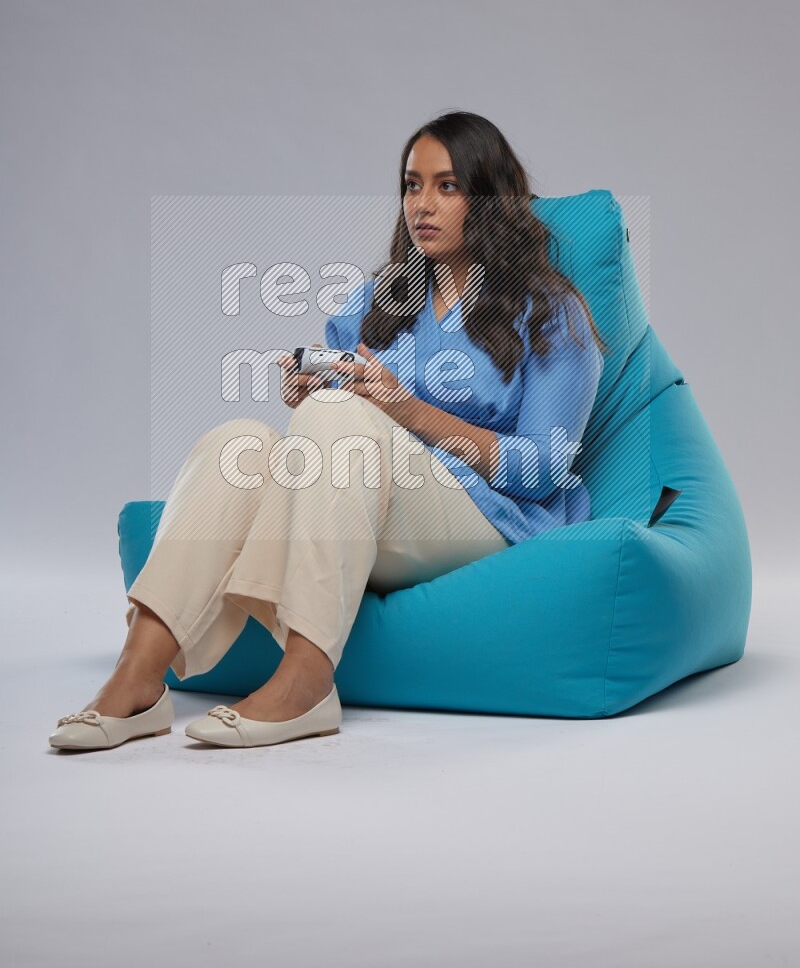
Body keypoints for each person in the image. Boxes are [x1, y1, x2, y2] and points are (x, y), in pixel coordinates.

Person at [48, 110, 608, 752]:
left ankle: (308, 682)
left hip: (485, 517)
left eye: (447, 187)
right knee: (240, 442)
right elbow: (330, 446)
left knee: (341, 419)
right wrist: (311, 389)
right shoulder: (380, 301)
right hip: (366, 503)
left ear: (488, 198)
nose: (421, 205)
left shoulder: (552, 314)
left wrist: (406, 409)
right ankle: (137, 680)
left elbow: (542, 469)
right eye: (411, 185)